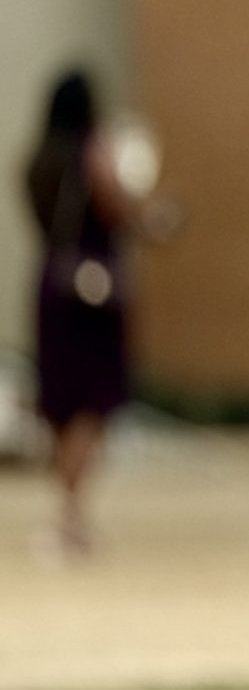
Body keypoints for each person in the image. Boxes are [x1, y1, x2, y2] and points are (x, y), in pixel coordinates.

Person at [23, 69, 165, 560]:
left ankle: (67, 512)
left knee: (60, 400)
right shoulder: (93, 150)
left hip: (50, 284)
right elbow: (120, 209)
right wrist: (155, 220)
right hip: (93, 289)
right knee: (90, 402)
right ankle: (68, 515)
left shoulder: (38, 160)